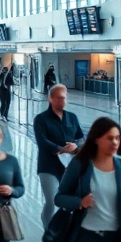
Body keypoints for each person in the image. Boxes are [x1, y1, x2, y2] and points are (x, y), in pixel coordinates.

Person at [33, 84, 84, 230]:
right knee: (51, 200)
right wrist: (60, 149)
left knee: (70, 199)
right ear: (50, 99)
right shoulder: (41, 119)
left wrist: (75, 147)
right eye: (59, 98)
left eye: (64, 98)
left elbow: (80, 137)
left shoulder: (72, 118)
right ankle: (49, 229)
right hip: (48, 166)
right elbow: (42, 141)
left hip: (69, 166)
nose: (62, 101)